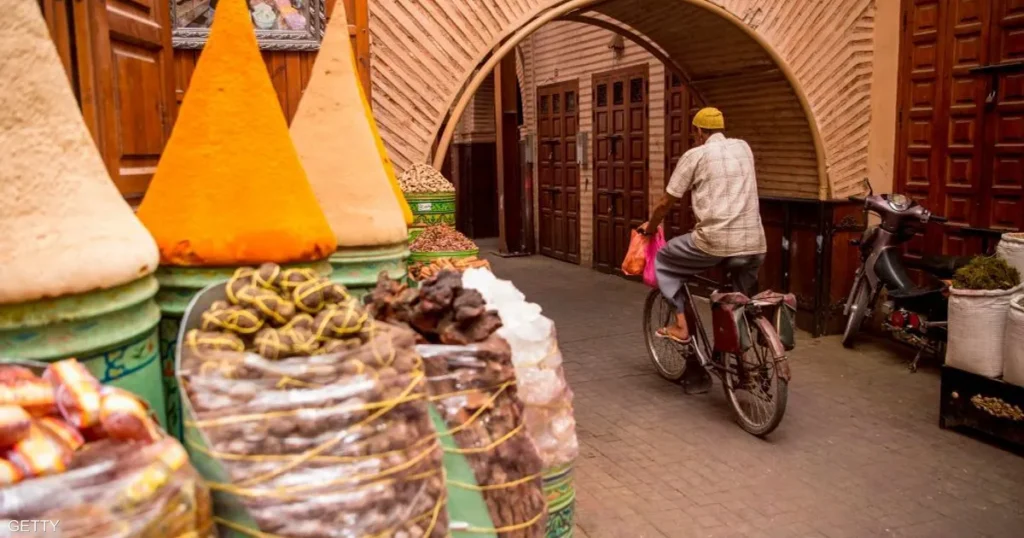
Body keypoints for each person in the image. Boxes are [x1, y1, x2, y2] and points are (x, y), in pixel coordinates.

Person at [639, 107, 767, 391]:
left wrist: (651, 227)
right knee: (738, 302)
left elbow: (666, 202)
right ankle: (738, 361)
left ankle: (681, 326)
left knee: (665, 259)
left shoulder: (695, 155)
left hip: (715, 241)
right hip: (755, 243)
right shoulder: (743, 147)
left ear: (698, 131)